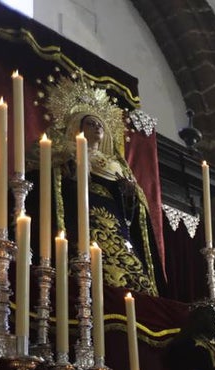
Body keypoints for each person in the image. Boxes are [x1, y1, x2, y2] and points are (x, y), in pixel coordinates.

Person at [48, 77, 164, 296]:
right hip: (85, 218)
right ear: (77, 127)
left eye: (100, 124)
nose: (97, 127)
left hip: (117, 225)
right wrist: (71, 176)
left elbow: (131, 212)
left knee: (135, 278)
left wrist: (129, 195)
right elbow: (58, 189)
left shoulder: (116, 165)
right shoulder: (66, 154)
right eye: (91, 123)